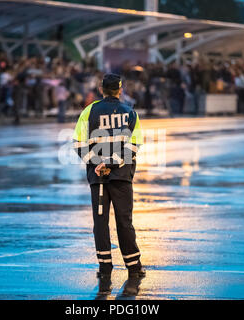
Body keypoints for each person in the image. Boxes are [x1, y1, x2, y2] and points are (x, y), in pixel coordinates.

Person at [72, 73, 146, 294]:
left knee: (100, 222)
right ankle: (134, 268)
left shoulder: (89, 111)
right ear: (120, 90)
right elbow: (134, 145)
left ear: (101, 89)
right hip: (121, 177)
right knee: (125, 221)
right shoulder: (130, 113)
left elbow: (78, 143)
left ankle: (105, 268)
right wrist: (112, 164)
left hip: (98, 178)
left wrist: (97, 163)